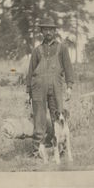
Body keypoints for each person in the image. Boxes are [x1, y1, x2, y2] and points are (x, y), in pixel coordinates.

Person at [26, 16, 74, 158]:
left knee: (59, 118)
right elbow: (30, 72)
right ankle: (37, 152)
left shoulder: (62, 48)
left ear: (54, 31)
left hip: (56, 88)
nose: (48, 32)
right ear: (42, 31)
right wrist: (28, 91)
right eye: (45, 29)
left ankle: (60, 149)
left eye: (51, 29)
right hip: (38, 89)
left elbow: (68, 68)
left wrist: (69, 86)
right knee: (39, 119)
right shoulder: (37, 50)